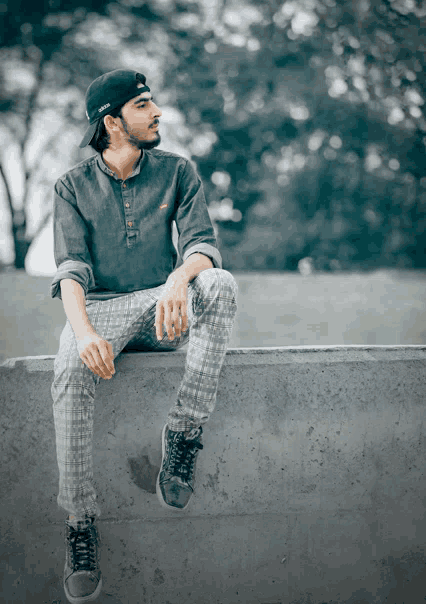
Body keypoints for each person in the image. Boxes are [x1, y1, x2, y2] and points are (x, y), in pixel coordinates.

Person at [50, 68, 238, 603]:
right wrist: (84, 334)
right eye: (143, 107)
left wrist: (180, 280)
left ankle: (182, 434)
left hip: (164, 309)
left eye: (153, 104)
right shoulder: (70, 187)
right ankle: (80, 521)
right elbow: (70, 273)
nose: (157, 113)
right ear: (112, 122)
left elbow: (201, 244)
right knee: (68, 368)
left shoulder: (179, 172)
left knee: (219, 284)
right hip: (103, 312)